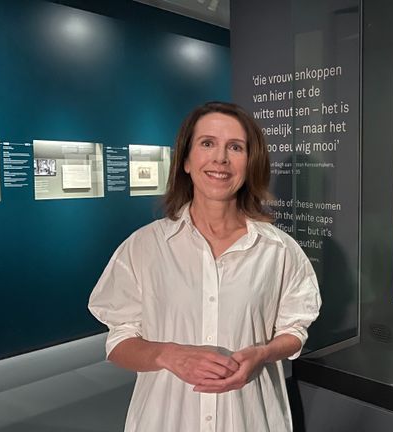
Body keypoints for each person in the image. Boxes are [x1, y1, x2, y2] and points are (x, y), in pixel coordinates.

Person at [89, 101, 321, 431]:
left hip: (248, 417)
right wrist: (166, 354)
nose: (220, 159)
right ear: (185, 160)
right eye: (207, 143)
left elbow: (294, 331)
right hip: (168, 419)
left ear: (250, 162)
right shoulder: (145, 247)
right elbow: (118, 343)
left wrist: (264, 353)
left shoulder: (279, 250)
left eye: (235, 147)